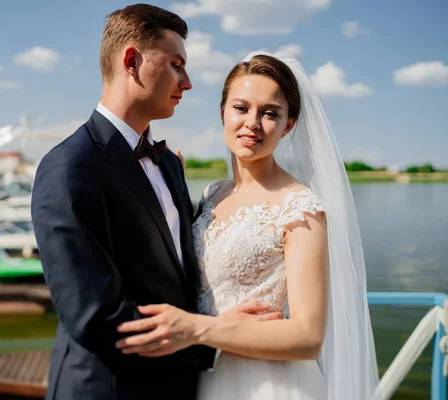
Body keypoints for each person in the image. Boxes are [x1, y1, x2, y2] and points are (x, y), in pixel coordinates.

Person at [30, 6, 279, 400]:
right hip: (108, 388)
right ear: (132, 61)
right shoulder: (68, 168)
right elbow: (94, 316)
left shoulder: (168, 165)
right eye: (176, 64)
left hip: (178, 387)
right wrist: (213, 336)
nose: (188, 82)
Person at [116, 52, 380, 399]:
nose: (252, 123)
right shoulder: (212, 194)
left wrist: (195, 328)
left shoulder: (300, 208)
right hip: (202, 376)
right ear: (223, 112)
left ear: (288, 125)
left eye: (270, 113)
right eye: (241, 108)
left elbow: (308, 338)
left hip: (267, 383)